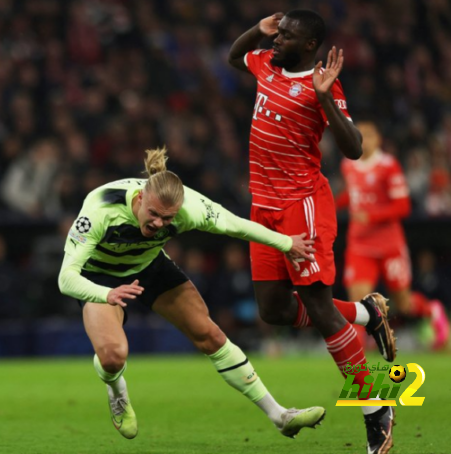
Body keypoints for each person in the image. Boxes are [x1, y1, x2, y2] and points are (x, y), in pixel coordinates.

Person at [58, 147, 324, 440]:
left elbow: (235, 225)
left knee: (209, 335)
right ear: (141, 196)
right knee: (112, 357)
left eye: (168, 219)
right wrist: (106, 294)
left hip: (149, 267)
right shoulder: (100, 209)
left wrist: (286, 243)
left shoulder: (191, 208)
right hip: (100, 276)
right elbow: (66, 278)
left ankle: (280, 416)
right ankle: (117, 391)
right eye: (154, 214)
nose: (159, 223)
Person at [228, 10, 396, 454]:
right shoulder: (266, 61)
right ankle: (366, 314)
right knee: (274, 310)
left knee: (320, 309)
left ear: (308, 46)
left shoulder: (323, 84)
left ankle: (376, 408)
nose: (278, 40)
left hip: (302, 205)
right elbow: (233, 57)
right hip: (262, 208)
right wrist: (256, 31)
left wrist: (323, 99)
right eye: (278, 33)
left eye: (286, 36)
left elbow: (355, 148)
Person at [337, 119, 451, 350]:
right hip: (360, 243)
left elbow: (403, 206)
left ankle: (433, 310)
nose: (364, 140)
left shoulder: (388, 166)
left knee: (404, 302)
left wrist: (371, 216)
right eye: (361, 135)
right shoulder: (348, 165)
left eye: (369, 135)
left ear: (378, 139)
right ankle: (356, 353)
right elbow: (354, 194)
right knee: (358, 298)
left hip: (389, 244)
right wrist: (331, 204)